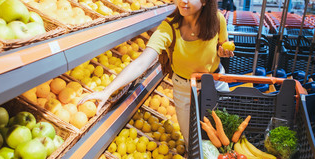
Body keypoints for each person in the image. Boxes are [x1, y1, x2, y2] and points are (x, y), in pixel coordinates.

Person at [79, 0, 234, 147]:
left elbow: (222, 44)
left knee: (224, 136)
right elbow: (141, 62)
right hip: (184, 89)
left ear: (205, 1)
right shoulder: (170, 27)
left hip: (214, 84)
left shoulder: (217, 20)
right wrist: (107, 91)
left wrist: (222, 51)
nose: (183, 1)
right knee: (192, 143)